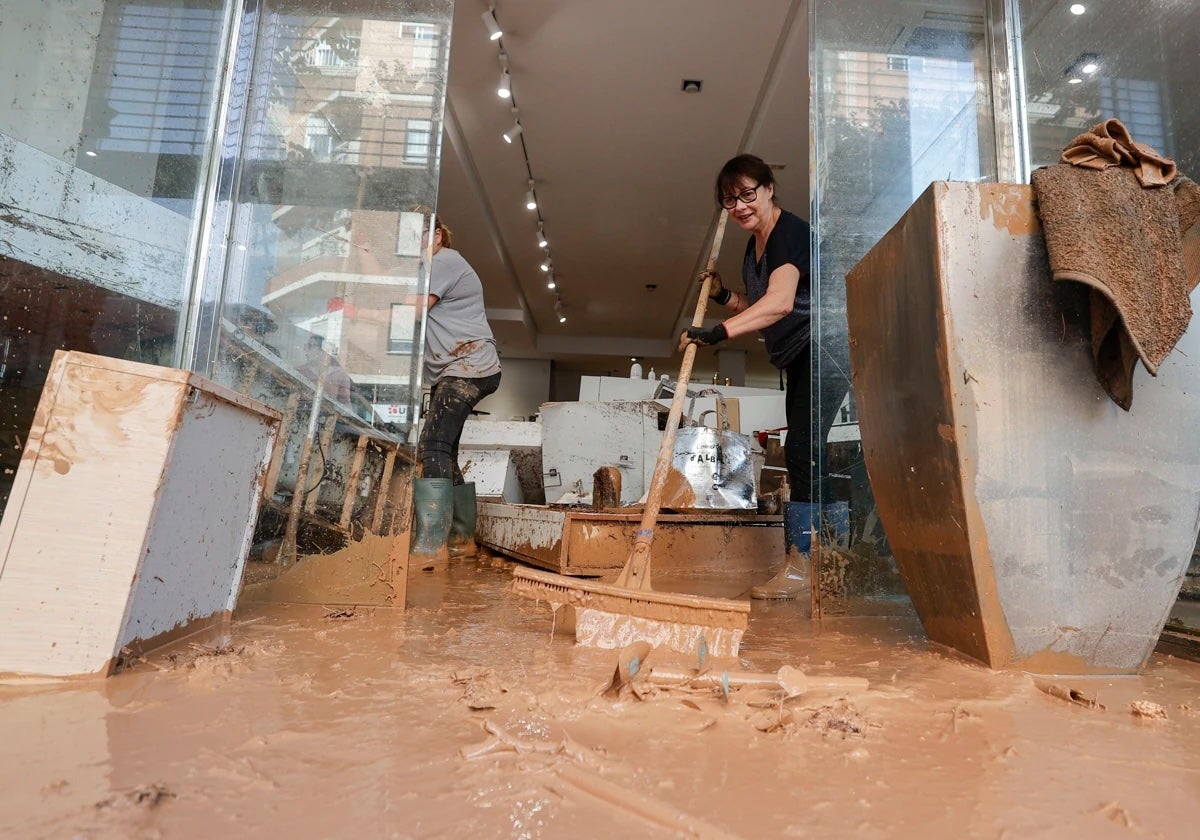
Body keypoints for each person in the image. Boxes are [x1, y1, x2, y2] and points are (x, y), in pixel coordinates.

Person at [679, 153, 836, 603]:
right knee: (804, 453)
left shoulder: (790, 233)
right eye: (729, 200)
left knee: (806, 453)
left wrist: (718, 332)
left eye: (747, 193)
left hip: (822, 347)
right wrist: (726, 296)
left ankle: (806, 566)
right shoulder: (755, 246)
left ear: (768, 189)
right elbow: (759, 305)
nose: (740, 206)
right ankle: (822, 563)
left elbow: (782, 303)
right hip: (796, 353)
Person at [410, 214, 502, 564]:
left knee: (432, 444)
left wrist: (362, 310)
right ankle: (462, 540)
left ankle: (431, 545)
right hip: (459, 369)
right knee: (444, 452)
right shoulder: (431, 268)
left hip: (469, 367)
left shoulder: (445, 259)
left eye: (417, 236)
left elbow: (418, 309)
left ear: (436, 236)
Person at [298, 334, 353, 404]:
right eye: (306, 346)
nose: (306, 350)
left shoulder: (340, 375)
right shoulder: (299, 371)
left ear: (323, 351)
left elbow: (345, 404)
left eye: (311, 346)